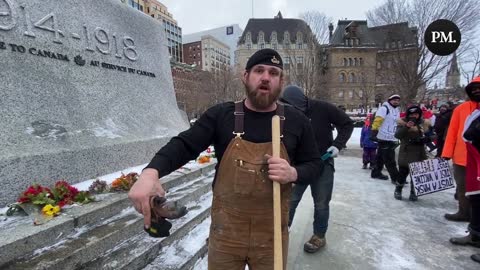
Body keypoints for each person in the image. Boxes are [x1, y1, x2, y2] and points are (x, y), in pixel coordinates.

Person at [128, 48, 323, 270]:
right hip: (226, 236)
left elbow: (315, 165)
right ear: (245, 76)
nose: (266, 77)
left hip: (271, 237)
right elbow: (184, 145)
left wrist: (293, 173)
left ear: (281, 81)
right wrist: (150, 173)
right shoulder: (222, 116)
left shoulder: (296, 121)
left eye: (273, 72)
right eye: (259, 70)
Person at [280, 85, 353, 253]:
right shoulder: (286, 113)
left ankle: (319, 236)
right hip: (298, 167)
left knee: (321, 203)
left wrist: (337, 145)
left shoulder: (323, 108)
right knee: (289, 201)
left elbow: (347, 124)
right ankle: (281, 232)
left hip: (322, 163)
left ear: (301, 102)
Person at [448, 76, 480, 264]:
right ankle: (475, 234)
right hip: (471, 159)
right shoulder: (467, 110)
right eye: (473, 88)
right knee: (475, 198)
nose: (476, 91)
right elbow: (457, 132)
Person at [442, 77, 480, 222]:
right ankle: (463, 212)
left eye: (479, 88)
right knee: (462, 187)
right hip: (461, 157)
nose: (476, 91)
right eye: (473, 89)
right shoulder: (460, 109)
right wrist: (446, 153)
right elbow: (452, 132)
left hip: (478, 158)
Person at [393, 105, 434, 201]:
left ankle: (413, 192)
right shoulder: (403, 122)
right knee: (402, 173)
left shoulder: (424, 123)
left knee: (416, 175)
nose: (414, 116)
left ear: (419, 114)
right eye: (411, 114)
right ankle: (398, 190)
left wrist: (426, 139)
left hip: (420, 153)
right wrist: (407, 126)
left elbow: (433, 135)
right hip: (406, 152)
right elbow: (397, 135)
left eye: (416, 114)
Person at [370, 94, 401, 184]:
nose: (396, 101)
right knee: (389, 158)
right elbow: (378, 120)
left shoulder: (396, 110)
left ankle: (376, 172)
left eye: (397, 100)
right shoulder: (384, 108)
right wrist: (374, 132)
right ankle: (395, 177)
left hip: (391, 136)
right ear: (389, 100)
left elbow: (396, 122)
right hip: (384, 136)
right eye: (394, 100)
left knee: (380, 156)